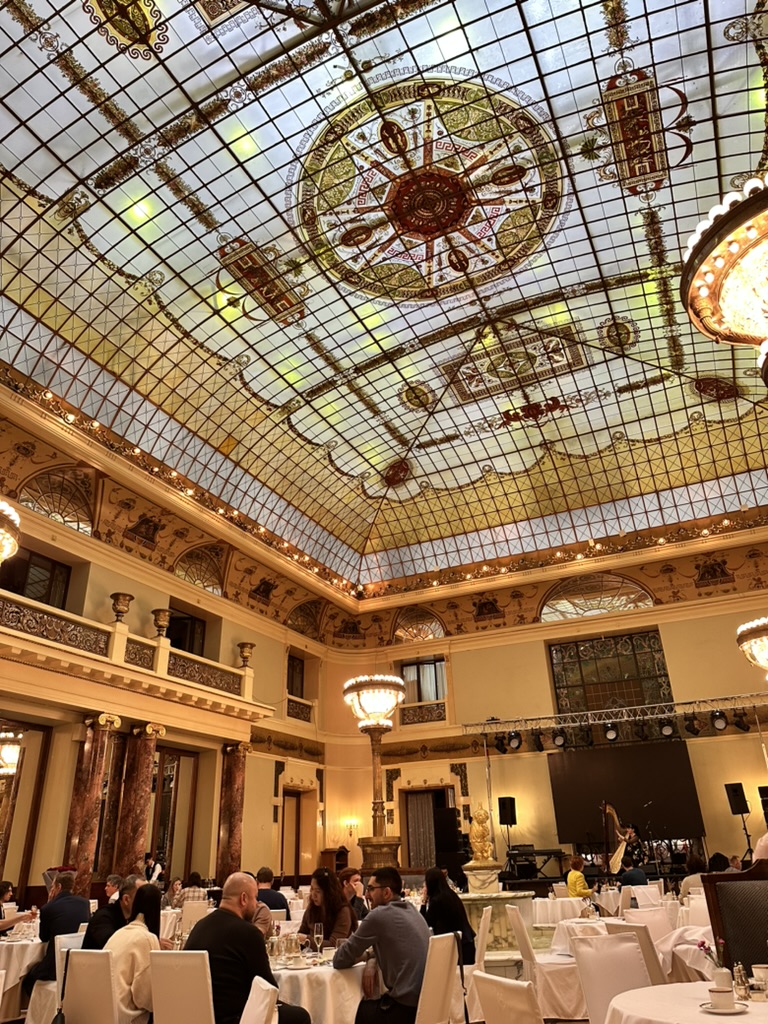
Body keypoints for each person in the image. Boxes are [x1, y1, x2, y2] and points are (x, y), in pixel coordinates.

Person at [184, 871, 310, 1024]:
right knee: (300, 1016)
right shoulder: (248, 933)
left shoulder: (199, 927)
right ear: (243, 898)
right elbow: (269, 990)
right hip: (237, 1017)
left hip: (197, 1016)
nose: (256, 904)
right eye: (255, 898)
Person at [334, 866, 430, 1024]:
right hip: (425, 1005)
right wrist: (371, 958)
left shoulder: (379, 916)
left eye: (371, 889)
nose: (366, 895)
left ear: (386, 893)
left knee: (348, 1010)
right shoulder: (411, 909)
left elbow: (340, 959)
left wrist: (367, 957)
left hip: (403, 1010)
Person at [22, 871, 90, 995]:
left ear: (58, 887)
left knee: (26, 979)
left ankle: (38, 1006)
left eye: (53, 886)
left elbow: (44, 937)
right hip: (78, 963)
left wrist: (49, 902)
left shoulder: (48, 908)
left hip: (55, 966)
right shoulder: (84, 903)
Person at [105, 883, 161, 1024]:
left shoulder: (119, 933)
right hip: (125, 1016)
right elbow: (145, 997)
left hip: (103, 1010)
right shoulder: (147, 938)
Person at [420, 866, 475, 964]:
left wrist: (424, 902)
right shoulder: (451, 894)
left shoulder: (437, 900)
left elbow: (424, 923)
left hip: (457, 953)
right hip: (466, 945)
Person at [82, 874, 144, 950]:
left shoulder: (137, 917)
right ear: (126, 899)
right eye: (143, 896)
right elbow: (113, 947)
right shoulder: (103, 917)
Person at [298, 867, 354, 943]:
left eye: (318, 891)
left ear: (329, 892)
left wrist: (306, 939)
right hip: (311, 951)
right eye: (312, 889)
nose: (313, 895)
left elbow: (334, 944)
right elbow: (302, 933)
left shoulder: (343, 911)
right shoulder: (312, 908)